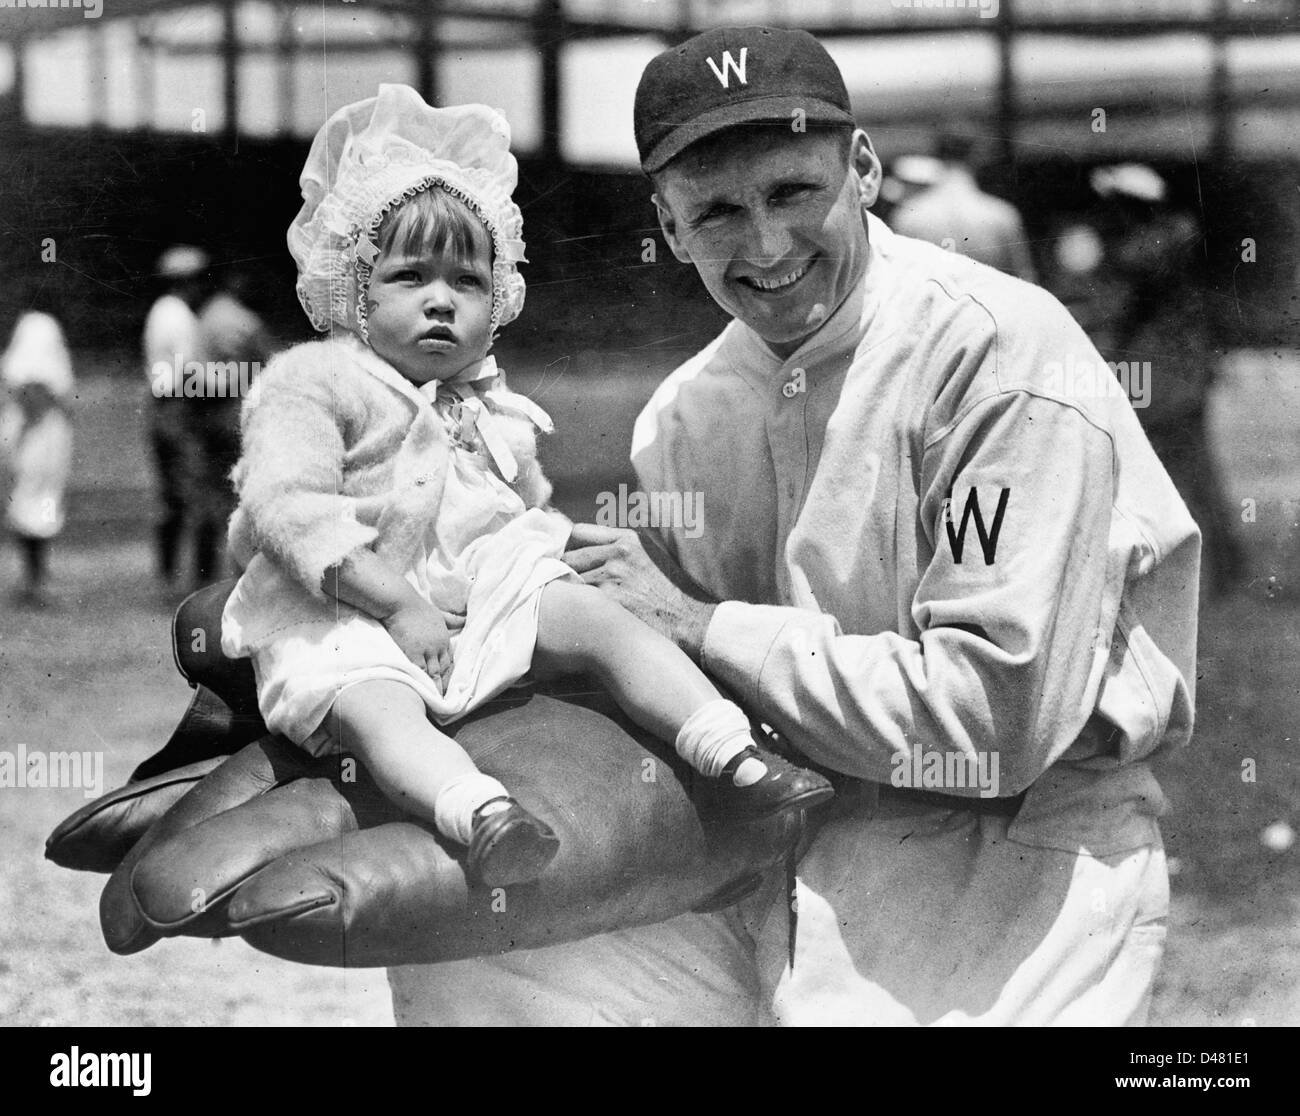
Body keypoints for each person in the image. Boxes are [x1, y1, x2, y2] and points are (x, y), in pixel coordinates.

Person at [391, 25, 1199, 1025]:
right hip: (786, 836)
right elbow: (666, 677)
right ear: (669, 224)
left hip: (1021, 852)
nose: (766, 246)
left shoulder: (996, 355)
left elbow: (994, 729)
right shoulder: (683, 417)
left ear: (860, 168)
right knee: (476, 965)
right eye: (718, 210)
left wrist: (699, 625)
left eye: (790, 192)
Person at [219, 85, 831, 885]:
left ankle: (732, 753)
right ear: (355, 294)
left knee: (598, 617)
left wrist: (563, 544)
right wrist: (396, 603)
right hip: (347, 601)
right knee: (372, 706)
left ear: (498, 298)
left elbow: (521, 505)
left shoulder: (489, 400)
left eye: (467, 282)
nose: (441, 300)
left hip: (477, 588)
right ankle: (478, 813)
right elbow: (286, 509)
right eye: (408, 277)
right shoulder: (316, 380)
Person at [1088, 163, 1244, 595]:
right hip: (1181, 366)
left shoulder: (1152, 243)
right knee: (1193, 465)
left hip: (1161, 372)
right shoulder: (1176, 233)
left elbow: (1125, 280)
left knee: (1165, 468)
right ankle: (1222, 564)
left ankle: (1191, 566)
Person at [187, 270, 276, 584]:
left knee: (210, 497)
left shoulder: (206, 315)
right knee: (239, 498)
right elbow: (268, 359)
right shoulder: (241, 318)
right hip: (234, 414)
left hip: (208, 413)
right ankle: (240, 575)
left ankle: (204, 575)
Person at [890, 121, 1038, 282]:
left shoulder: (908, 217)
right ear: (978, 156)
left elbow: (899, 285)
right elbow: (1025, 285)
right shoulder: (1001, 216)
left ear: (935, 155)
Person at [142, 245, 210, 588]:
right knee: (192, 495)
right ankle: (193, 579)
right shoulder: (180, 316)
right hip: (176, 407)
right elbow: (190, 374)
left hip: (159, 406)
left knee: (170, 497)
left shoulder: (160, 310)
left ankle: (166, 576)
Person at [0, 295, 75, 606]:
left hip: (34, 431)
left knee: (38, 501)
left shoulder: (29, 325)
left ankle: (37, 576)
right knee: (38, 502)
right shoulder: (41, 325)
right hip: (37, 433)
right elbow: (31, 380)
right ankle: (36, 580)